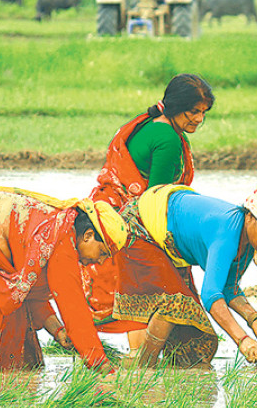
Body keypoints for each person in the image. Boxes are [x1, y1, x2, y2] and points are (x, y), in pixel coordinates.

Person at [0, 186, 130, 373]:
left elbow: (31, 288)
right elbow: (72, 306)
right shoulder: (62, 237)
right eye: (102, 253)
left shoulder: (57, 230)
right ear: (88, 235)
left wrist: (57, 331)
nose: (99, 262)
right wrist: (100, 364)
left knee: (17, 340)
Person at [113, 176, 257, 368]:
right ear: (250, 217)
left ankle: (157, 374)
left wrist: (253, 318)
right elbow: (211, 295)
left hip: (168, 242)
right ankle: (143, 369)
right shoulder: (227, 232)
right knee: (175, 304)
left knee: (199, 343)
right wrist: (242, 339)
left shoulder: (247, 243)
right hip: (139, 227)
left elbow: (229, 288)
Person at [84, 74, 215, 344]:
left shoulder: (153, 125)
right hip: (131, 222)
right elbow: (156, 202)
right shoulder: (167, 139)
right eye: (194, 111)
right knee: (145, 291)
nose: (199, 119)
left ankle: (136, 365)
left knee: (133, 292)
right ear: (177, 106)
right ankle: (141, 369)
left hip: (107, 211)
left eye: (204, 112)